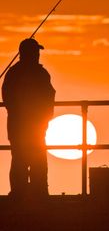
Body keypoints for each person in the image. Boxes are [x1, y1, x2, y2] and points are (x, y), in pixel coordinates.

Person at [2, 38, 55, 198]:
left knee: (20, 160)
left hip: (19, 126)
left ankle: (20, 193)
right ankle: (39, 193)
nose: (38, 55)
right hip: (35, 126)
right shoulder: (41, 74)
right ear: (28, 53)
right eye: (35, 52)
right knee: (36, 160)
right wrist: (45, 118)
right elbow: (49, 97)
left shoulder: (13, 73)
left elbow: (7, 98)